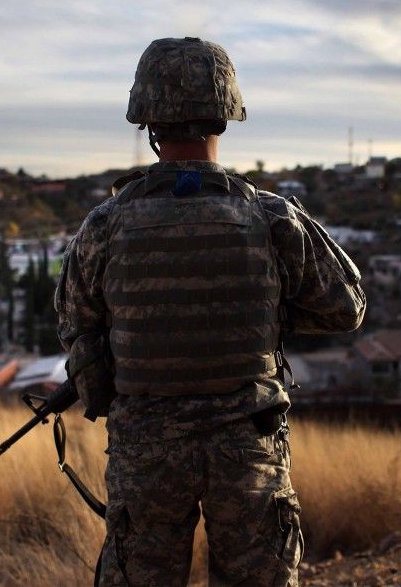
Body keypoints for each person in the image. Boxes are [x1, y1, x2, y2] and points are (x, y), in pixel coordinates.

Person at [56, 36, 365, 587]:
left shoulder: (104, 226)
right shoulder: (272, 219)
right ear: (225, 116)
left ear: (148, 124)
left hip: (146, 453)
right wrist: (266, 315)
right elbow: (347, 307)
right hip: (247, 448)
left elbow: (77, 329)